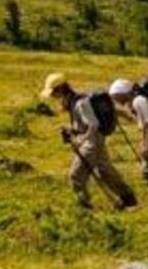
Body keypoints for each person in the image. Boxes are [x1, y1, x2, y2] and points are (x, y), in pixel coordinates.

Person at [39, 72, 137, 209]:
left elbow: (93, 125)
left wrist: (81, 141)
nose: (52, 96)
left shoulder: (80, 103)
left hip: (91, 141)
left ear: (60, 89)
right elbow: (84, 124)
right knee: (105, 170)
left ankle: (84, 207)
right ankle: (128, 198)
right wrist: (71, 130)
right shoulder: (73, 101)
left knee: (75, 176)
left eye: (53, 92)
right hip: (94, 139)